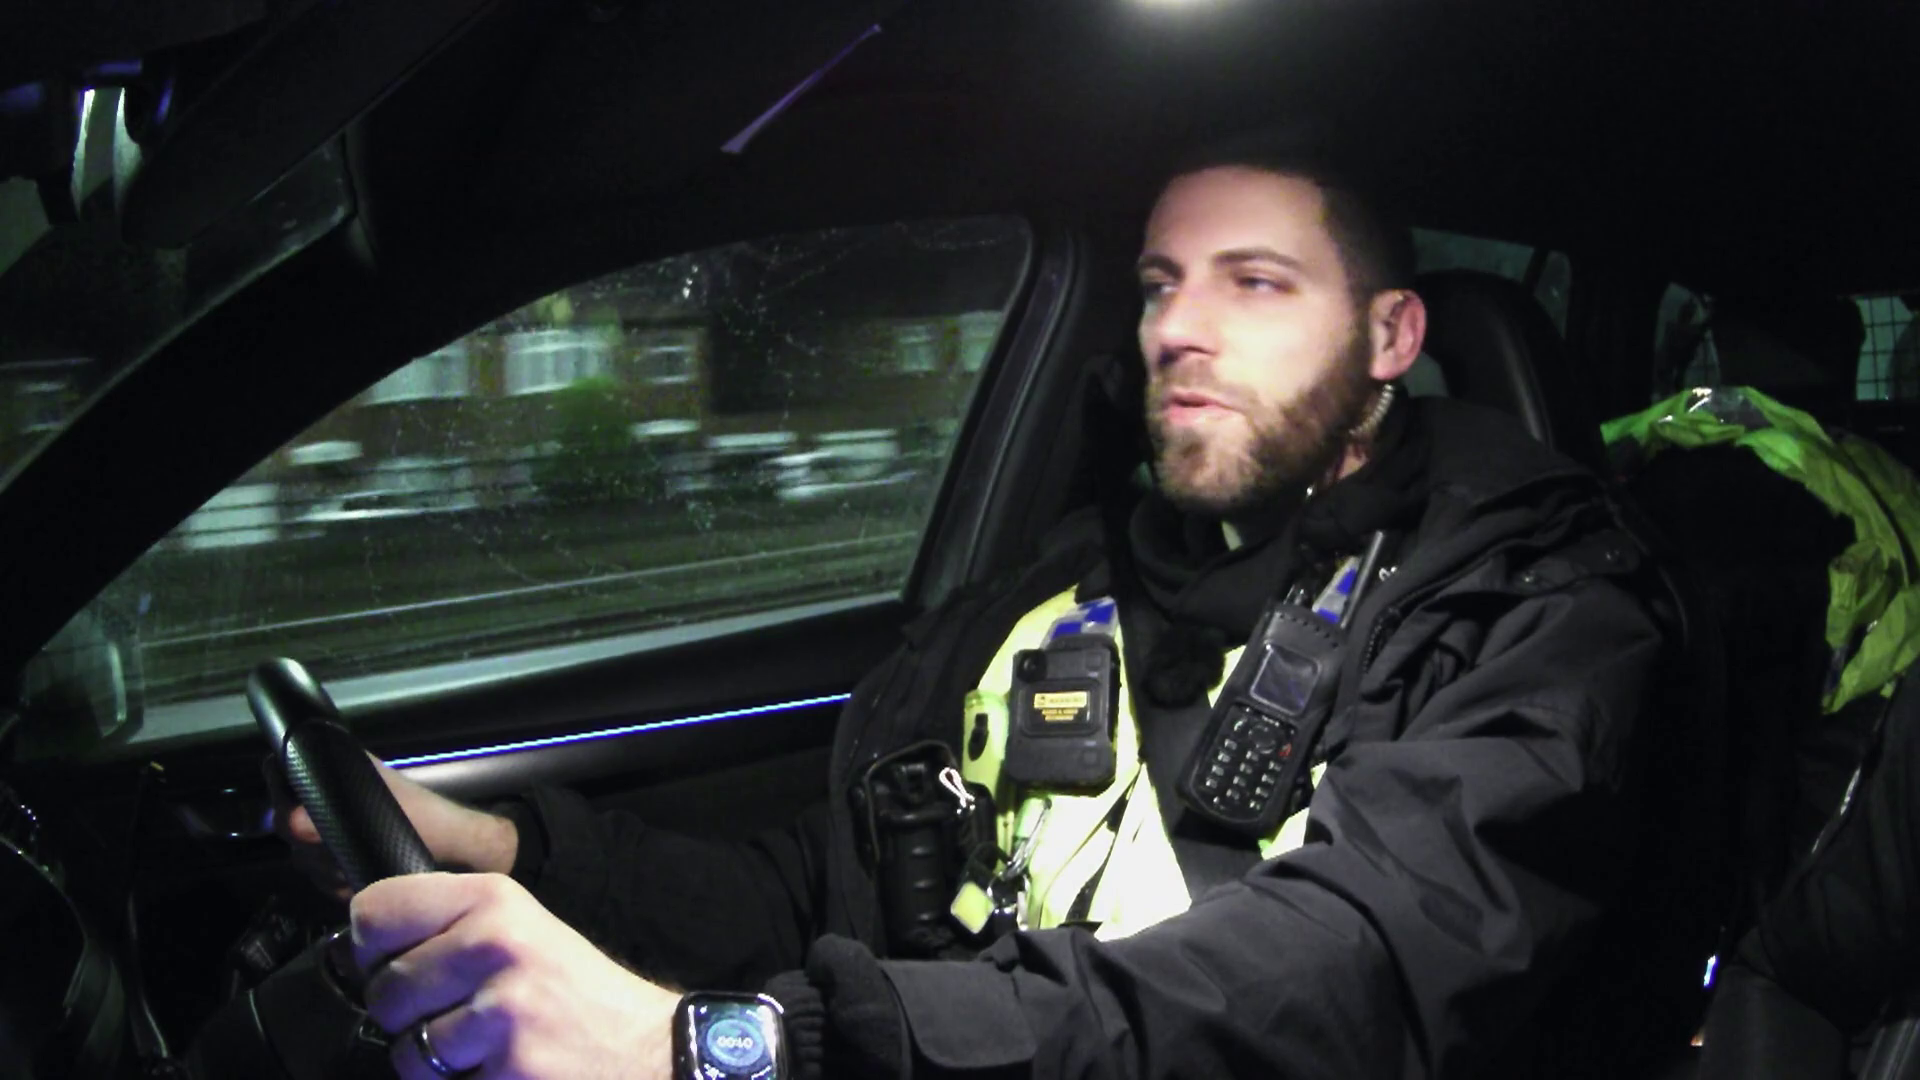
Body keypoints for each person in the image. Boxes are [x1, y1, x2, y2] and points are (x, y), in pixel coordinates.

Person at [284, 146, 1679, 1079]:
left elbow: (1350, 978)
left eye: (1255, 282)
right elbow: (835, 879)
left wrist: (737, 1046)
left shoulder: (1538, 608)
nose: (1177, 328)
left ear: (1391, 337)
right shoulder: (1068, 588)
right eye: (1159, 284)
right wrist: (520, 852)